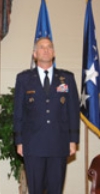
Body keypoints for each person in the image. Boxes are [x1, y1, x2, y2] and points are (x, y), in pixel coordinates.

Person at [13, 37, 80, 194]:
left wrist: (73, 140)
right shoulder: (24, 79)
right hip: (33, 144)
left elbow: (73, 111)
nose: (45, 50)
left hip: (59, 143)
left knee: (55, 190)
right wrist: (19, 141)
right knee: (35, 190)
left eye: (49, 47)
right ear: (34, 54)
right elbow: (18, 112)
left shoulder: (67, 78)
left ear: (54, 53)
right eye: (41, 47)